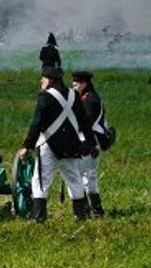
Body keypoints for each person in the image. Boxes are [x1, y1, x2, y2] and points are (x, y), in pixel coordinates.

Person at [16, 66, 96, 222]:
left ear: (50, 80)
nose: (41, 81)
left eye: (43, 78)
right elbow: (85, 123)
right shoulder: (74, 96)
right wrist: (90, 142)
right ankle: (81, 216)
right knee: (74, 180)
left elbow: (37, 124)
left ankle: (38, 218)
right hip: (71, 147)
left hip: (49, 146)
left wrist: (27, 146)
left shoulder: (45, 97)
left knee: (40, 181)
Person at [71, 71, 109, 217]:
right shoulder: (86, 97)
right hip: (92, 141)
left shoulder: (90, 100)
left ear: (84, 84)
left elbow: (85, 124)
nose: (73, 86)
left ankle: (85, 211)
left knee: (78, 175)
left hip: (89, 142)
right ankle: (97, 211)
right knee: (89, 176)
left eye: (76, 84)